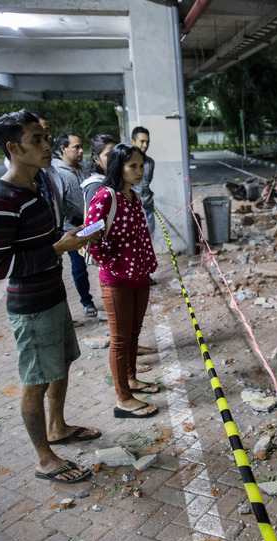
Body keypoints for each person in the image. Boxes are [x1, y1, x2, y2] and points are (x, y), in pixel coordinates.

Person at [0, 109, 103, 484]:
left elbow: (48, 239)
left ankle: (58, 427)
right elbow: (0, 266)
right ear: (14, 147)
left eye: (46, 137)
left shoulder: (41, 184)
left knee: (61, 364)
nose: (47, 144)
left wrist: (75, 234)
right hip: (30, 307)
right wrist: (58, 249)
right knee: (36, 379)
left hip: (53, 294)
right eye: (37, 140)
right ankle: (45, 459)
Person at [84, 143, 161, 419]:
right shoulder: (105, 197)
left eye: (141, 166)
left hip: (140, 276)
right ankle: (123, 399)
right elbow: (90, 237)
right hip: (116, 281)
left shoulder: (133, 197)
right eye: (133, 166)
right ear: (119, 167)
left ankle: (131, 379)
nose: (139, 171)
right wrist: (111, 262)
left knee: (133, 334)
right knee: (119, 340)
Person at [50, 132, 99, 317]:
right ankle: (86, 302)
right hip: (73, 230)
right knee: (79, 268)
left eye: (81, 147)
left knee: (96, 261)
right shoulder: (59, 174)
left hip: (90, 226)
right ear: (63, 149)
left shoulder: (83, 169)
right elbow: (61, 204)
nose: (80, 151)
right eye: (76, 147)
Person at [129, 127, 156, 240]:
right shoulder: (126, 162)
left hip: (147, 204)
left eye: (147, 142)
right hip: (131, 207)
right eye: (142, 142)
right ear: (133, 142)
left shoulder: (150, 162)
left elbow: (148, 182)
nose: (145, 145)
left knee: (148, 238)